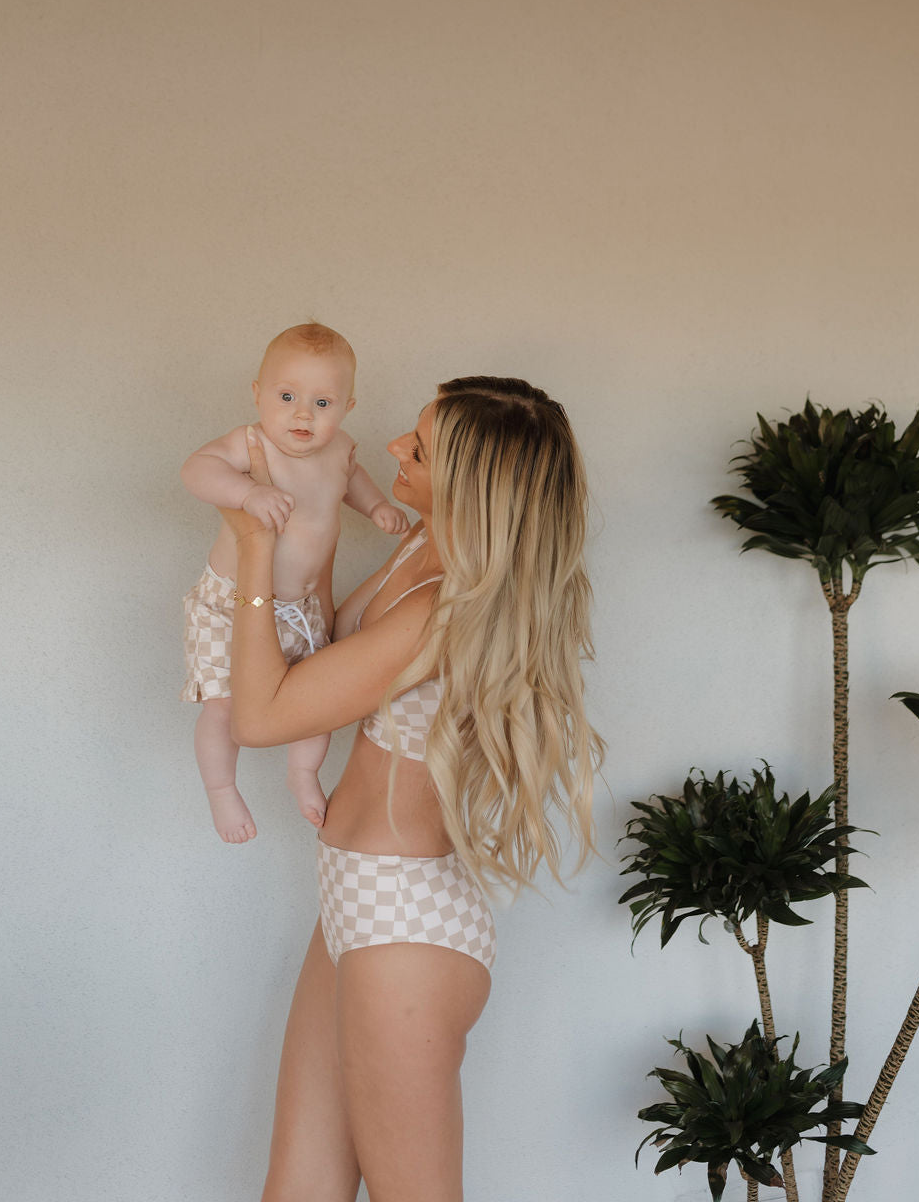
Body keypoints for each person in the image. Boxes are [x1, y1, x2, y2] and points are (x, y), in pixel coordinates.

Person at [220, 376, 604, 1202]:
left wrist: (252, 545)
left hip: (405, 922)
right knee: (298, 1188)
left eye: (420, 449)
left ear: (471, 484)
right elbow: (314, 654)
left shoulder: (445, 609)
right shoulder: (423, 547)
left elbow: (262, 715)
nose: (394, 447)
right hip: (355, 896)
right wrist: (301, 511)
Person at [180, 322, 408, 843]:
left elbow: (352, 479)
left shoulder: (340, 449)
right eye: (286, 396)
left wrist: (376, 508)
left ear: (348, 407)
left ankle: (302, 774)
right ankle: (221, 791)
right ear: (258, 395)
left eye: (323, 402)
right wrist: (245, 494)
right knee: (225, 705)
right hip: (229, 603)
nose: (303, 414)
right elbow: (196, 469)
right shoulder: (250, 443)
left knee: (318, 699)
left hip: (301, 608)